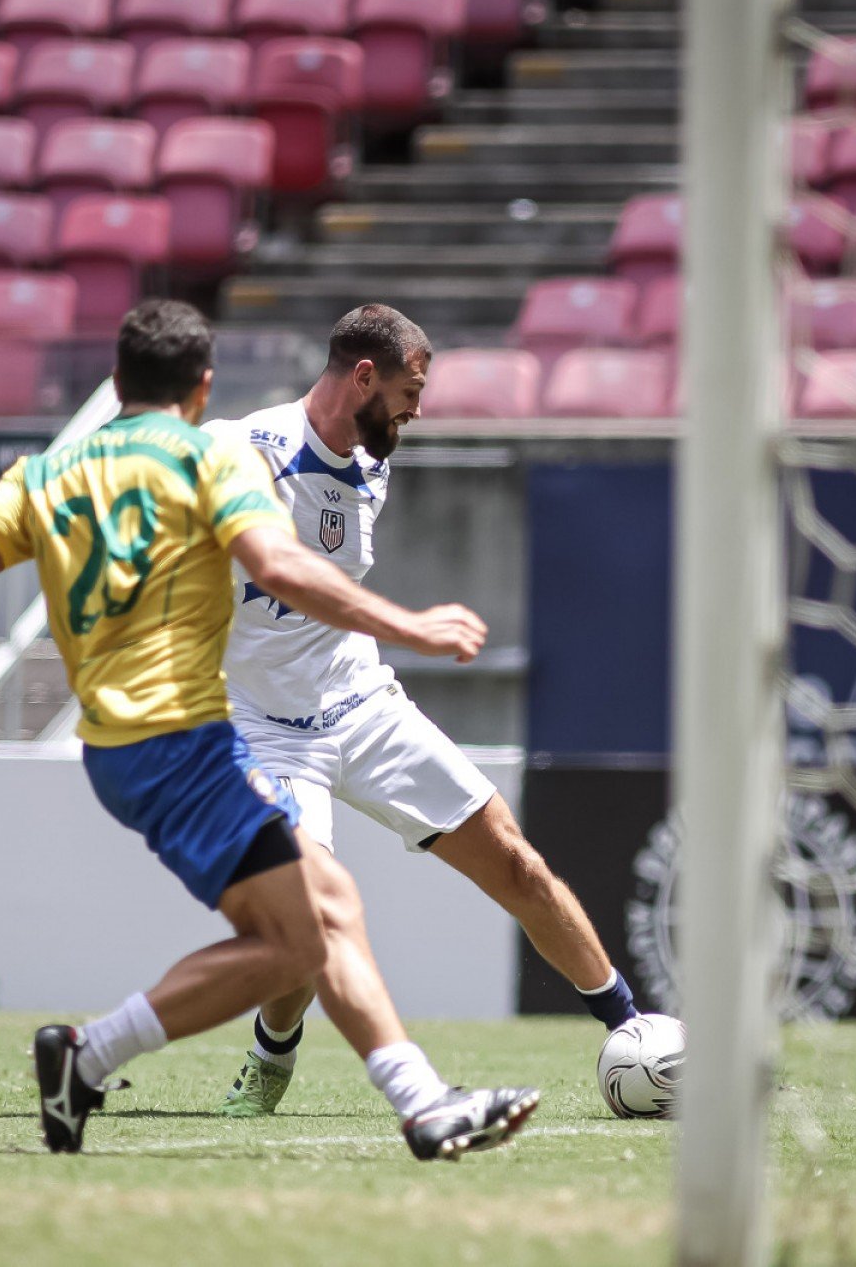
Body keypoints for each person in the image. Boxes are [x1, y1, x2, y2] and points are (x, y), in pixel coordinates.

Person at [0, 300, 540, 1161]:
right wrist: (412, 628)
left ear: (117, 382)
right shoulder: (213, 455)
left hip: (111, 749)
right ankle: (101, 1054)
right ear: (201, 388)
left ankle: (409, 1100)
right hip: (186, 739)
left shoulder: (48, 472)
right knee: (302, 931)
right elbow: (278, 568)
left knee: (318, 916)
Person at [210, 305, 643, 1118]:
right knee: (306, 927)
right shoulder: (245, 450)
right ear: (364, 376)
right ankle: (270, 1060)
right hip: (265, 728)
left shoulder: (375, 458)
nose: (418, 408)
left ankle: (635, 1029)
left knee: (516, 861)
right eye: (410, 390)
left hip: (360, 702)